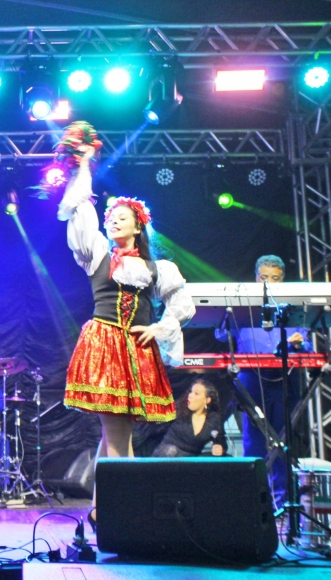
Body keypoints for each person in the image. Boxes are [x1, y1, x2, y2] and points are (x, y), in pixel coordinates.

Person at [57, 145, 195, 528]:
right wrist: (84, 164)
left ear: (138, 226)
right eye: (111, 218)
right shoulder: (97, 253)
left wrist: (159, 327)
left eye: (122, 218)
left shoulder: (156, 267)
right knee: (117, 435)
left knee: (116, 435)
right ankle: (126, 514)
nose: (113, 222)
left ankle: (104, 510)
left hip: (136, 352)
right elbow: (78, 206)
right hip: (105, 348)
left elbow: (183, 304)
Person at [214, 254, 308, 507]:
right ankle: (254, 504)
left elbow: (306, 344)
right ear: (256, 278)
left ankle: (282, 503)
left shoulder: (291, 309)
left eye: (275, 278)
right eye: (264, 278)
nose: (269, 283)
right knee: (253, 441)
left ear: (282, 280)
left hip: (284, 380)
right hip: (252, 379)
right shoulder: (245, 306)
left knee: (282, 440)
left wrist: (298, 344)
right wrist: (230, 312)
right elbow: (220, 332)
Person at [152, 380, 227, 457]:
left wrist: (219, 447)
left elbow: (220, 440)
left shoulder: (214, 419)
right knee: (171, 451)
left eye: (196, 393)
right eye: (191, 392)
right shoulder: (178, 409)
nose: (190, 395)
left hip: (192, 459)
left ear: (207, 400)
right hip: (167, 454)